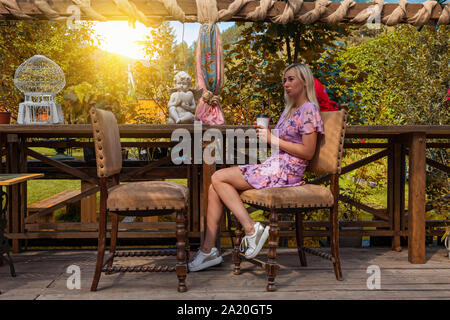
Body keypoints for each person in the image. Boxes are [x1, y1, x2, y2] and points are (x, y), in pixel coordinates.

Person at [188, 64, 324, 272]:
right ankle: (208, 251)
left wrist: (271, 138)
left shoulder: (309, 110)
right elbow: (282, 142)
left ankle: (252, 229)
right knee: (214, 186)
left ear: (304, 82)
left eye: (291, 79)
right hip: (275, 165)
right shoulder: (290, 110)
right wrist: (267, 134)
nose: (286, 84)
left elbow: (307, 152)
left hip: (286, 171)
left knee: (218, 177)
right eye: (284, 80)